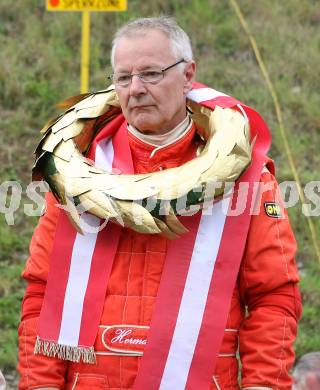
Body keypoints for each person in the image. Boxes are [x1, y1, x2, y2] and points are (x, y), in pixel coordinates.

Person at [18, 17, 302, 390]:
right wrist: (40, 384)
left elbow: (273, 296)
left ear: (188, 75)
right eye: (123, 77)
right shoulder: (75, 175)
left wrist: (263, 384)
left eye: (151, 73)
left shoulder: (247, 178)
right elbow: (43, 293)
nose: (135, 89)